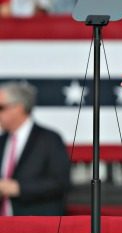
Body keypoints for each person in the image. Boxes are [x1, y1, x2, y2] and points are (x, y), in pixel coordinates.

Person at [0, 82, 71, 216]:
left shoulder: (49, 139)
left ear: (18, 108)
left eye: (1, 107)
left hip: (36, 225)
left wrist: (18, 188)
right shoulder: (2, 141)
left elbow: (60, 183)